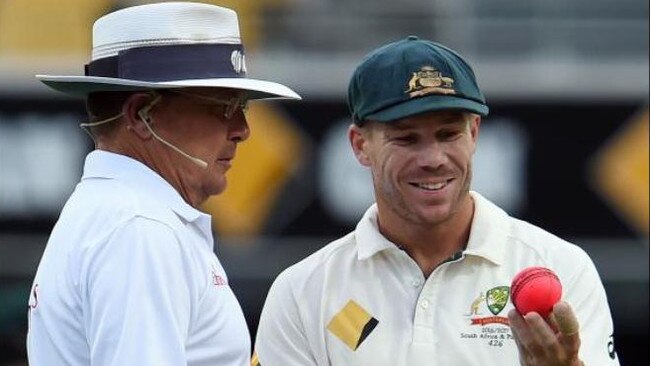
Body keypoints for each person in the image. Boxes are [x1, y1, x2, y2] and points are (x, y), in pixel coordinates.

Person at [253, 36, 620, 366]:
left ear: (474, 133)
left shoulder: (563, 266)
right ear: (361, 145)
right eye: (407, 138)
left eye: (448, 134)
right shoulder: (303, 291)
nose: (433, 158)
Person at [26, 2, 300, 366]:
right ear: (141, 115)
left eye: (241, 108)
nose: (242, 130)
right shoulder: (140, 229)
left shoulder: (121, 216)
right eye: (220, 107)